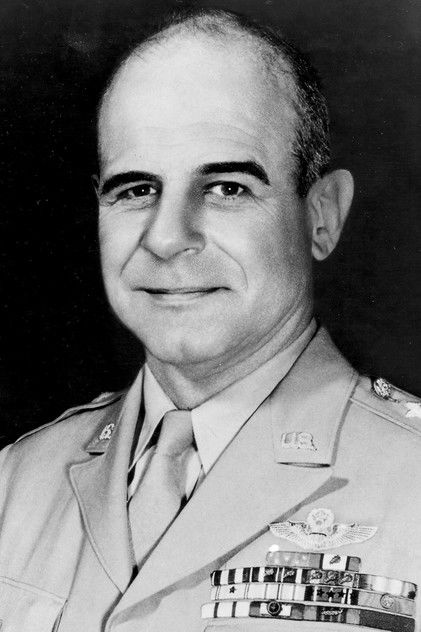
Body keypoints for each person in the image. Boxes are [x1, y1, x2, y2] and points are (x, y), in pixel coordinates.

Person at [0, 8, 420, 632]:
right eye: (136, 190)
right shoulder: (15, 480)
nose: (166, 238)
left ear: (322, 216)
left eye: (227, 188)